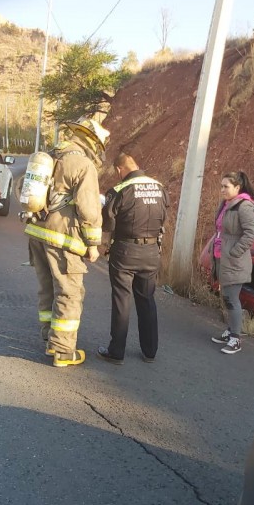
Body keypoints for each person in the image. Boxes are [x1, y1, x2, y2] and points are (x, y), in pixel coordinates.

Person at [24, 116, 108, 367]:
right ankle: (62, 350)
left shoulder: (51, 156)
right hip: (62, 237)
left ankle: (48, 335)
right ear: (92, 142)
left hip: (36, 232)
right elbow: (89, 208)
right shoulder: (82, 164)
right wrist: (93, 244)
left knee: (47, 287)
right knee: (70, 292)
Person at [97, 152, 169, 365]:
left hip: (125, 252)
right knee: (147, 299)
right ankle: (150, 351)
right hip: (151, 252)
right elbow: (163, 216)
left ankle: (116, 351)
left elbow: (107, 224)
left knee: (122, 300)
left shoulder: (119, 190)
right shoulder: (159, 187)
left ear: (120, 169)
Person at [209, 171, 254, 354]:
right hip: (222, 258)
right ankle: (230, 331)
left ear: (237, 188)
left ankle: (236, 338)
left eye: (226, 186)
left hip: (234, 261)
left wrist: (233, 252)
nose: (222, 190)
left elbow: (250, 235)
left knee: (232, 299)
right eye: (221, 186)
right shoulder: (226, 204)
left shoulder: (244, 207)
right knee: (226, 297)